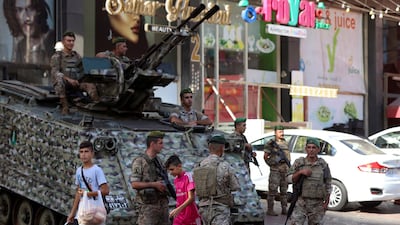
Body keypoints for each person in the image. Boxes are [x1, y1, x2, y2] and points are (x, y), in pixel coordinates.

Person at [194, 134, 240, 225]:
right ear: (222, 148)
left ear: (209, 148)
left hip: (204, 209)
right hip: (220, 209)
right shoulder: (225, 166)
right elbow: (235, 186)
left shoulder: (199, 165)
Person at [50, 31, 100, 115]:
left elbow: (82, 69)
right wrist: (69, 80)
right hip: (64, 83)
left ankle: (97, 105)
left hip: (76, 82)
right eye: (68, 41)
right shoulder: (57, 56)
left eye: (72, 41)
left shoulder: (77, 56)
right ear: (63, 42)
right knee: (58, 78)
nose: (71, 43)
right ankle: (65, 106)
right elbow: (55, 72)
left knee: (90, 84)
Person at [286, 138, 332, 225]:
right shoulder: (299, 163)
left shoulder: (323, 165)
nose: (311, 150)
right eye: (309, 147)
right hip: (301, 202)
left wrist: (326, 203)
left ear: (318, 149)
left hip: (317, 204)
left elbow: (328, 183)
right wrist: (300, 172)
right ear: (306, 149)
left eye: (314, 147)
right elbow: (288, 179)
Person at [131, 131, 170, 225]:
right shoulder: (140, 161)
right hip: (148, 207)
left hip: (162, 205)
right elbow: (134, 184)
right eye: (160, 143)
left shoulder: (159, 161)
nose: (162, 146)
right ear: (152, 144)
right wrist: (154, 185)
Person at [66, 141, 110, 225]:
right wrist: (72, 213)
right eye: (81, 152)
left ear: (92, 154)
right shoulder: (79, 170)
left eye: (86, 151)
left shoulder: (97, 170)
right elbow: (78, 193)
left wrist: (87, 194)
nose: (83, 154)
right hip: (82, 211)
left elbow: (105, 191)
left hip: (94, 212)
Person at [3, 0, 55, 64]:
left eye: (31, 9)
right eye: (20, 10)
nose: (26, 18)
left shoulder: (54, 40)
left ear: (39, 11)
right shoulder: (21, 45)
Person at [165, 155, 201, 225]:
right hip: (179, 217)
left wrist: (178, 209)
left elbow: (191, 198)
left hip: (191, 216)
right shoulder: (176, 180)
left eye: (172, 169)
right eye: (169, 170)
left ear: (179, 166)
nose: (170, 173)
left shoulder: (188, 176)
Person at [264, 125, 291, 216]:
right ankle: (270, 209)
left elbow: (287, 156)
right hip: (275, 171)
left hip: (284, 170)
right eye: (280, 131)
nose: (282, 133)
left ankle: (284, 209)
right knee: (272, 191)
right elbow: (265, 156)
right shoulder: (271, 143)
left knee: (284, 191)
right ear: (275, 132)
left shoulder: (285, 142)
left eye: (282, 131)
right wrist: (272, 164)